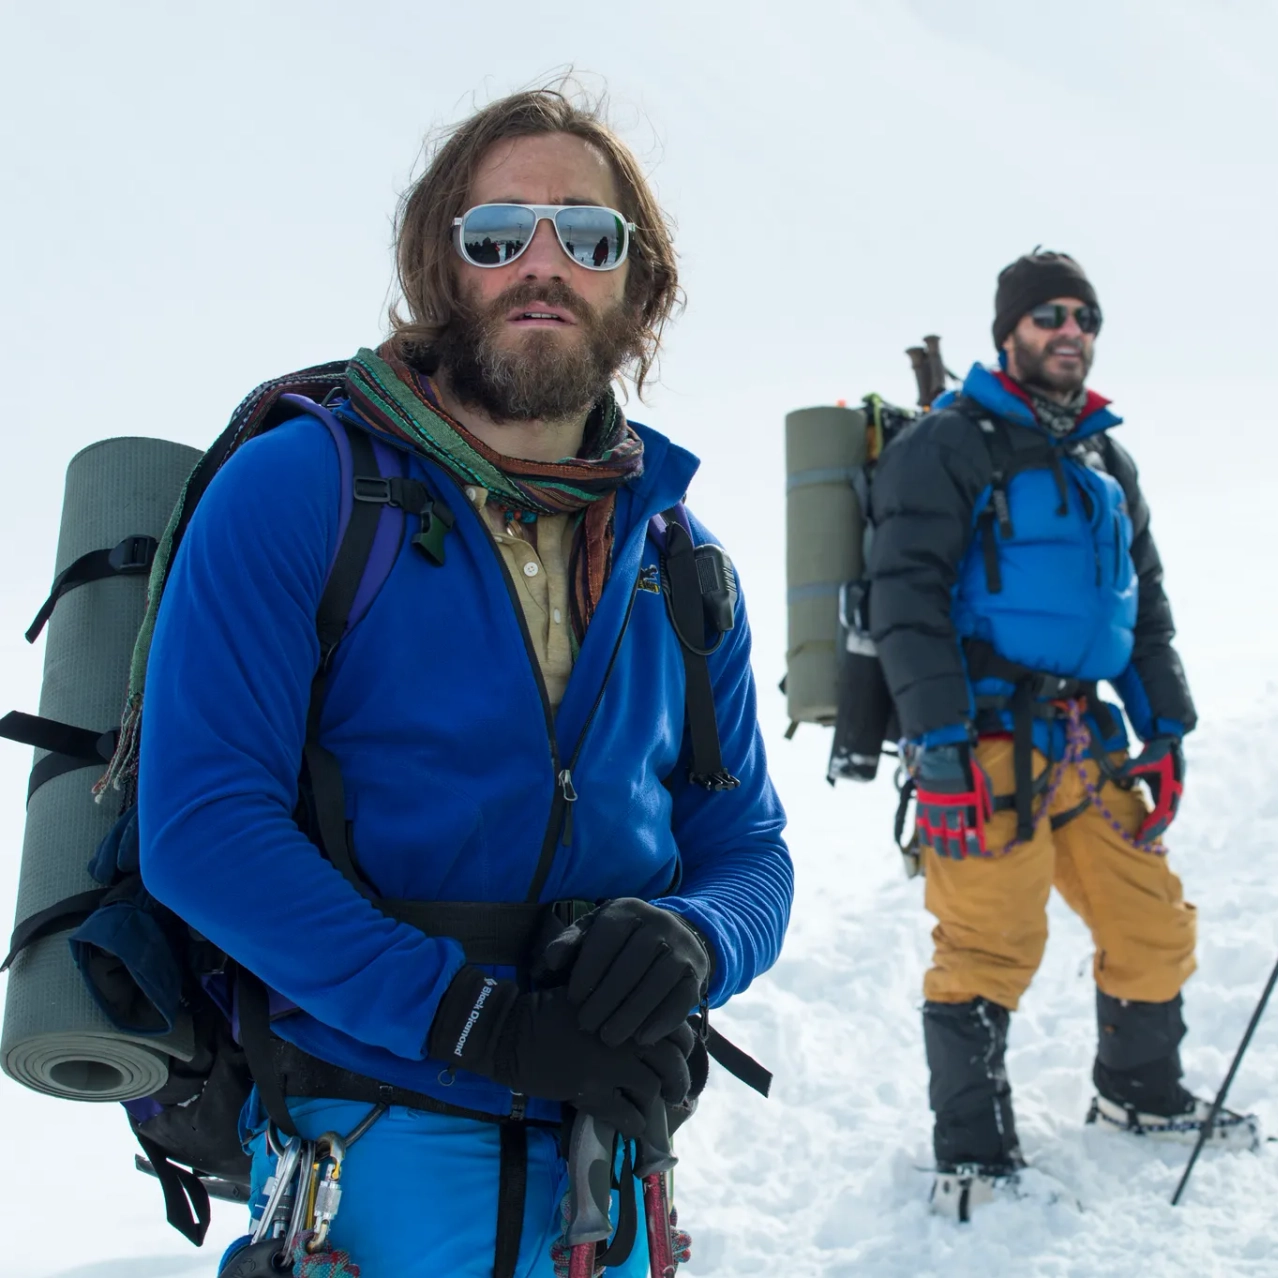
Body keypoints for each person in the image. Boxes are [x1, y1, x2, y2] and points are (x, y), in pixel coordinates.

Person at [137, 88, 793, 1275]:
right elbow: (201, 829)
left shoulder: (680, 561)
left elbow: (748, 843)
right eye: (499, 234)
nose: (544, 263)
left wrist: (697, 941)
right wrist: (477, 1021)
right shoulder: (302, 495)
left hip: (613, 1171)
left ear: (637, 284)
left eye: (589, 237)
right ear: (442, 264)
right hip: (373, 1163)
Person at [866, 249, 1255, 1217]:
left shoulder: (1104, 455)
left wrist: (1167, 728)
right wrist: (941, 744)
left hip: (1089, 740)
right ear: (1010, 333)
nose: (1068, 332)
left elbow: (1144, 604)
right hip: (989, 741)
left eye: (1083, 316)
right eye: (1048, 316)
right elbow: (905, 604)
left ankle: (1139, 1092)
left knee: (1151, 925)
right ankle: (973, 1149)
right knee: (989, 942)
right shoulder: (947, 445)